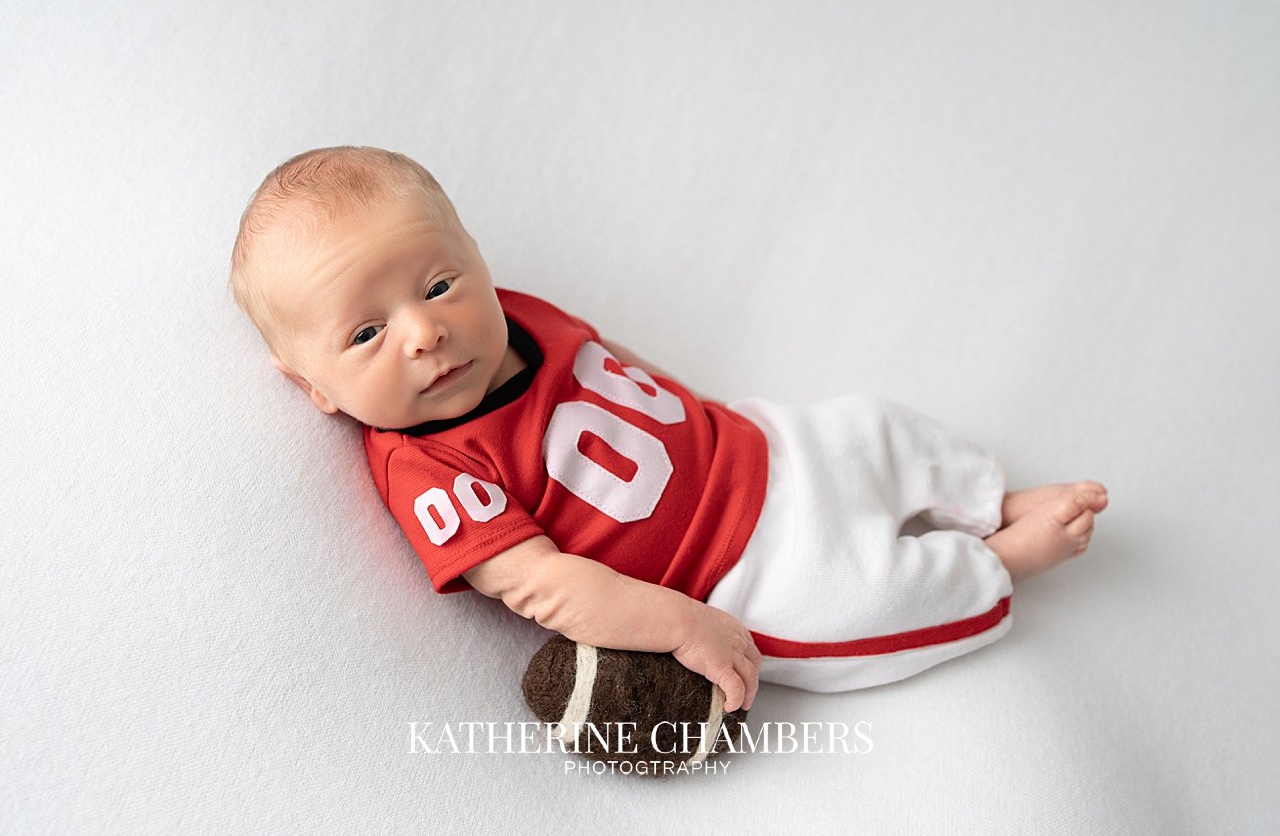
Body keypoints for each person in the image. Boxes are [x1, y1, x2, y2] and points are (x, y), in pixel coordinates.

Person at [230, 146, 1108, 712]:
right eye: (365, 333)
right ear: (314, 387)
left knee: (875, 425)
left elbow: (611, 357)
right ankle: (999, 565)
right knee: (862, 602)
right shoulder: (432, 468)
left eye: (437, 283)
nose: (426, 331)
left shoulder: (513, 314)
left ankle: (985, 495)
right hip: (737, 571)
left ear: (474, 254)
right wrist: (684, 625)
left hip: (759, 442)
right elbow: (546, 585)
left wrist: (705, 409)